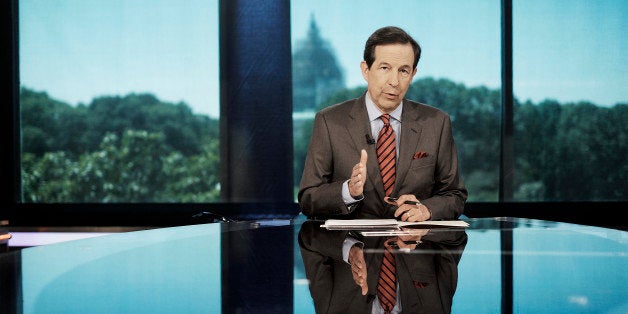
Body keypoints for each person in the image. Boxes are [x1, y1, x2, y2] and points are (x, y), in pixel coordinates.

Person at [298, 26, 467, 223]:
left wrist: (426, 209)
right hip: (349, 247)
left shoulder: (436, 123)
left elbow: (455, 195)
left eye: (403, 70)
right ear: (366, 70)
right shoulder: (330, 122)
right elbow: (308, 198)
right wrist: (348, 191)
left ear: (413, 74)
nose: (394, 81)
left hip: (414, 248)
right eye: (385, 68)